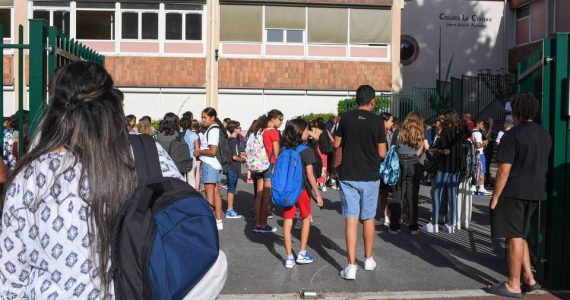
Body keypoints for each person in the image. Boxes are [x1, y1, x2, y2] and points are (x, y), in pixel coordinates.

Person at [0, 61, 183, 298]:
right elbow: (183, 225)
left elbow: (12, 277)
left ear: (55, 111)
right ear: (111, 107)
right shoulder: (147, 155)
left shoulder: (31, 177)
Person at [487, 93, 551, 298]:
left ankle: (513, 285)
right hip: (535, 192)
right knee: (520, 234)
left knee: (514, 236)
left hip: (514, 192)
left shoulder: (512, 135)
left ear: (516, 112)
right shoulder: (544, 135)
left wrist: (495, 196)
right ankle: (529, 280)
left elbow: (504, 170)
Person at [333, 85, 387, 280]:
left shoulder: (346, 118)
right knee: (369, 218)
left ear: (356, 100)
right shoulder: (377, 121)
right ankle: (369, 259)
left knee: (351, 219)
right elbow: (382, 152)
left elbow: (336, 144)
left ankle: (351, 265)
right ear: (372, 101)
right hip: (370, 175)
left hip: (349, 174)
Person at [281, 118, 324, 268]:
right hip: (302, 191)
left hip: (287, 191)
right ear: (300, 133)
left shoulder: (285, 149)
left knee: (287, 222)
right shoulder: (306, 151)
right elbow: (310, 175)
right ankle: (302, 253)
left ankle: (288, 257)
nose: (308, 133)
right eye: (306, 130)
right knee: (305, 218)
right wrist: (318, 194)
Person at [423, 112, 465, 234]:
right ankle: (451, 224)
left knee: (437, 193)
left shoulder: (446, 131)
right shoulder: (458, 132)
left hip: (444, 166)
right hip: (455, 168)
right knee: (452, 195)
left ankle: (434, 223)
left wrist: (436, 151)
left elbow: (445, 151)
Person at [389, 112, 425, 235]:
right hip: (413, 163)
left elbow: (393, 147)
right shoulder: (420, 134)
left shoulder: (398, 132)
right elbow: (420, 151)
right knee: (412, 197)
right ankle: (413, 226)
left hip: (399, 162)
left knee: (397, 195)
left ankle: (394, 226)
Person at [251, 109, 283, 233]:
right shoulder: (273, 132)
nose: (281, 122)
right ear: (274, 118)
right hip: (269, 165)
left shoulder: (261, 130)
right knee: (266, 196)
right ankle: (264, 225)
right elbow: (276, 153)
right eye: (280, 119)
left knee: (259, 195)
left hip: (259, 165)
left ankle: (257, 224)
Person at [194, 108, 225, 230]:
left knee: (209, 195)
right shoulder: (216, 129)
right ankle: (218, 221)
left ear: (212, 117)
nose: (202, 120)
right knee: (217, 193)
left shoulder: (212, 130)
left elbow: (212, 151)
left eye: (205, 117)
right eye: (202, 117)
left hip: (209, 164)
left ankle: (208, 223)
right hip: (216, 165)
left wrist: (198, 151)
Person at [376, 112, 394, 226]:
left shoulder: (390, 133)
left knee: (384, 193)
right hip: (377, 166)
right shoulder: (377, 132)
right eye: (391, 120)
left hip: (385, 167)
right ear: (385, 121)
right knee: (378, 193)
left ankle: (384, 216)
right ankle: (377, 216)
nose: (392, 123)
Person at [225, 120, 244, 219]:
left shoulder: (228, 140)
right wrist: (243, 160)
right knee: (232, 189)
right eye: (239, 127)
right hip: (233, 167)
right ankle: (230, 210)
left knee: (230, 188)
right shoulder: (235, 141)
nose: (240, 129)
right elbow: (235, 157)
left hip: (229, 167)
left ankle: (229, 209)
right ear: (235, 129)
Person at [312, 118, 333, 191]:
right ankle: (323, 184)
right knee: (324, 165)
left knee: (318, 164)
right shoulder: (326, 130)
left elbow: (315, 140)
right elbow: (332, 140)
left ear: (317, 123)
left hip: (318, 149)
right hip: (325, 150)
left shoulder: (316, 130)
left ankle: (317, 182)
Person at [472, 119, 491, 196]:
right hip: (480, 154)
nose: (483, 126)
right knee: (482, 171)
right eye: (482, 124)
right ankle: (481, 188)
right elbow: (478, 145)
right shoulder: (478, 134)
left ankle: (473, 187)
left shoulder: (471, 132)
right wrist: (484, 143)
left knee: (475, 170)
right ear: (477, 124)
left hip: (474, 154)